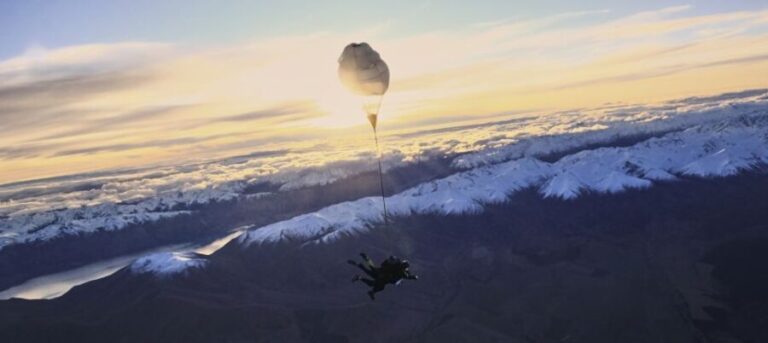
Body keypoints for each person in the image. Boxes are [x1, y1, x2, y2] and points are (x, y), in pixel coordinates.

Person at [348, 252, 418, 300]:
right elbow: (407, 276)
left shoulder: (399, 266)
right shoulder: (401, 270)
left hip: (383, 275)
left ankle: (362, 264)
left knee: (371, 272)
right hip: (384, 277)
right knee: (374, 281)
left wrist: (412, 277)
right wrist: (414, 277)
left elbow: (406, 275)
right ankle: (360, 276)